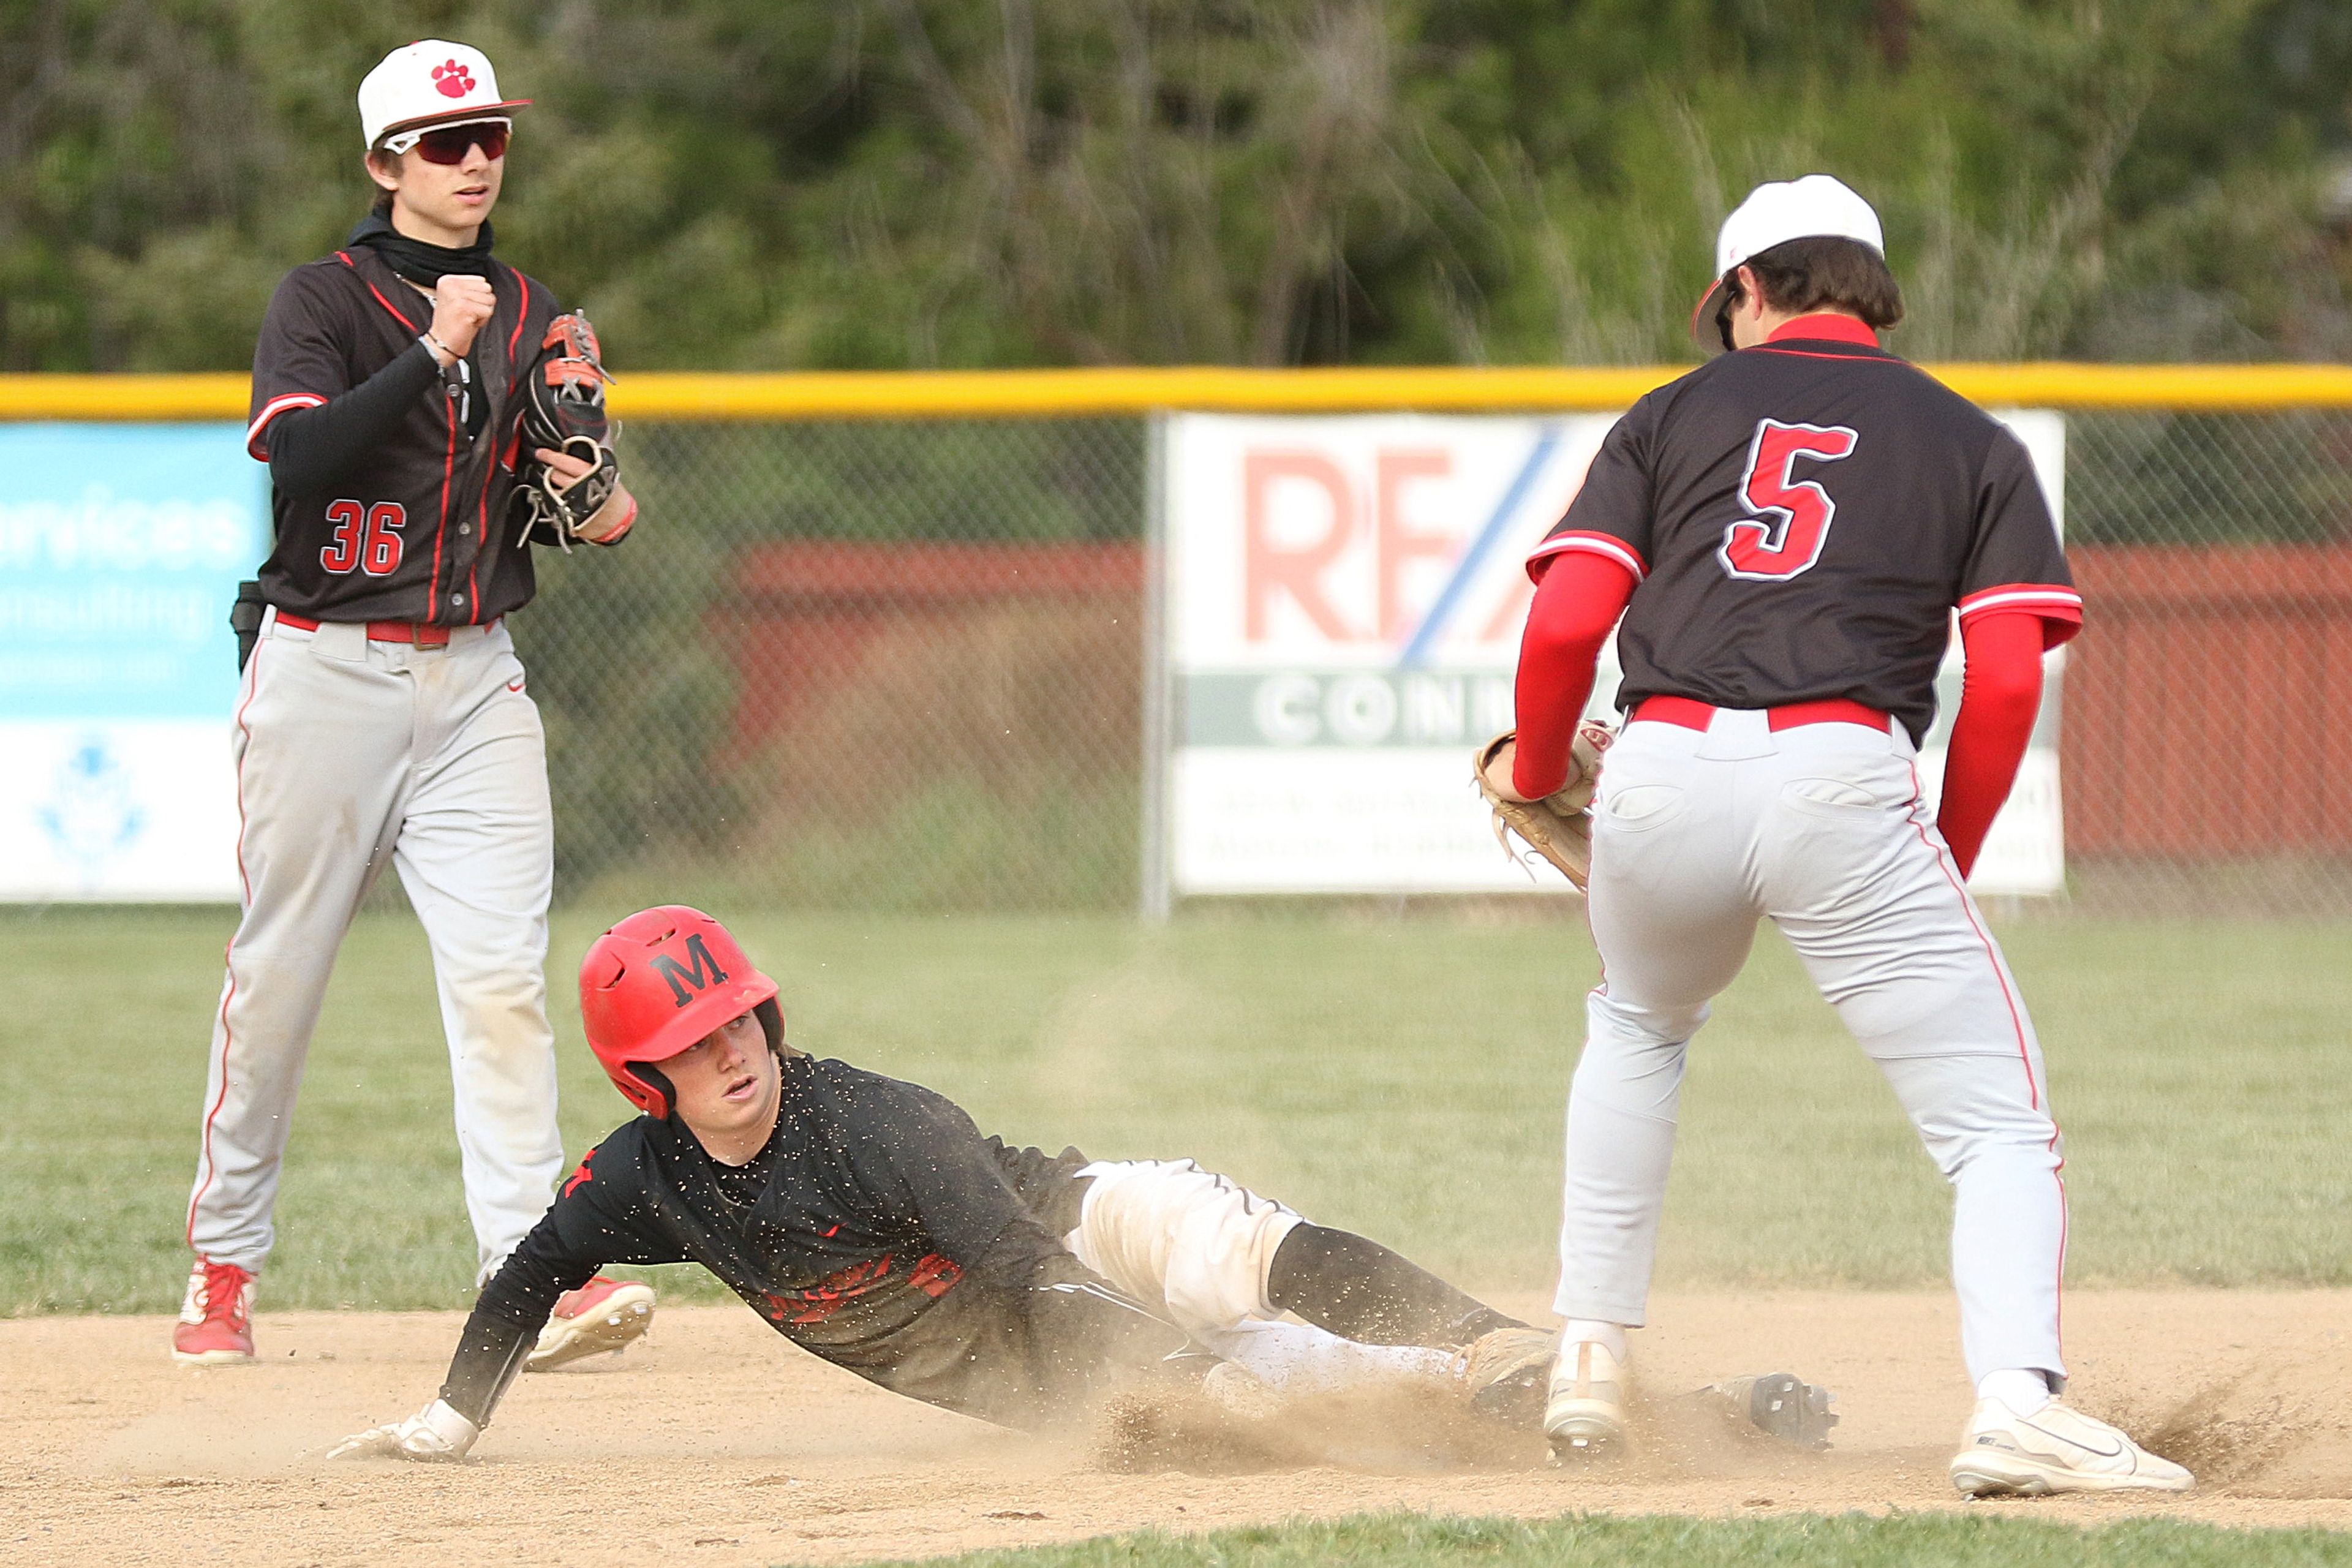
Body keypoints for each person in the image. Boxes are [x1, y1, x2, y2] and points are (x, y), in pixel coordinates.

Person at [1496, 175, 2192, 1496]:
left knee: (1638, 1022)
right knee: (1996, 1127)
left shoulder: (1669, 414)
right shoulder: (1972, 441)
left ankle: (1588, 1352)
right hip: (1841, 772)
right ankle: (2015, 1403)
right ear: (1870, 286)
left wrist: (1541, 773)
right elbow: (2004, 677)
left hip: (1657, 767)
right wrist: (1951, 856)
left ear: (1747, 288)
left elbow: (1569, 623)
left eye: (1727, 307)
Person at [329, 907, 1562, 1460]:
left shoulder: (873, 1120)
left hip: (1078, 1229)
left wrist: (1187, 1368)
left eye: (739, 1018)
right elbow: (537, 1266)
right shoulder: (639, 1181)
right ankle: (1680, 1410)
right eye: (695, 1041)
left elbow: (1031, 1264)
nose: (733, 1050)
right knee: (1328, 1411)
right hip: (1042, 1367)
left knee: (1227, 1258)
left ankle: (1498, 1343)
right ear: (643, 1076)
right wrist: (450, 1421)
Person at [175, 40, 650, 1369]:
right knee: (279, 983)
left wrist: (589, 496)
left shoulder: (538, 306)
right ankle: (222, 1265)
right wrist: (432, 355)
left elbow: (578, 502)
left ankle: (532, 1269)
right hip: (325, 667)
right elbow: (301, 455)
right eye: (446, 142)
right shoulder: (318, 298)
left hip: (477, 673)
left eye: (491, 134)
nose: (477, 158)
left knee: (503, 983)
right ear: (386, 163)